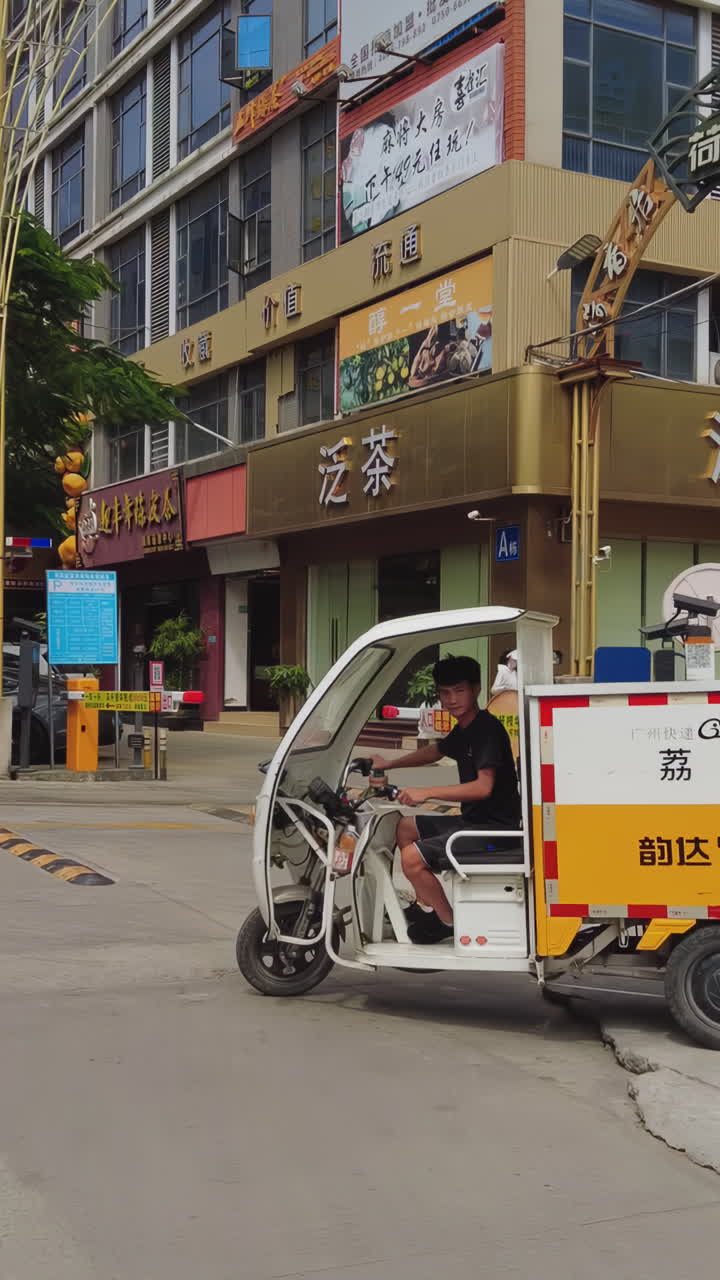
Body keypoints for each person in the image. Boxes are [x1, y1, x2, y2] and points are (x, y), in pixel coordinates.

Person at [372, 655, 521, 945]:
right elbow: (437, 751)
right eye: (444, 692)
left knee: (412, 859)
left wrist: (426, 792)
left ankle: (448, 922)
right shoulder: (467, 727)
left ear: (476, 689)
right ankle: (426, 903)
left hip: (494, 832)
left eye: (459, 691)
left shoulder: (486, 730)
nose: (451, 700)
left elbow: (483, 787)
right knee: (405, 827)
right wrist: (390, 764)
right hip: (474, 821)